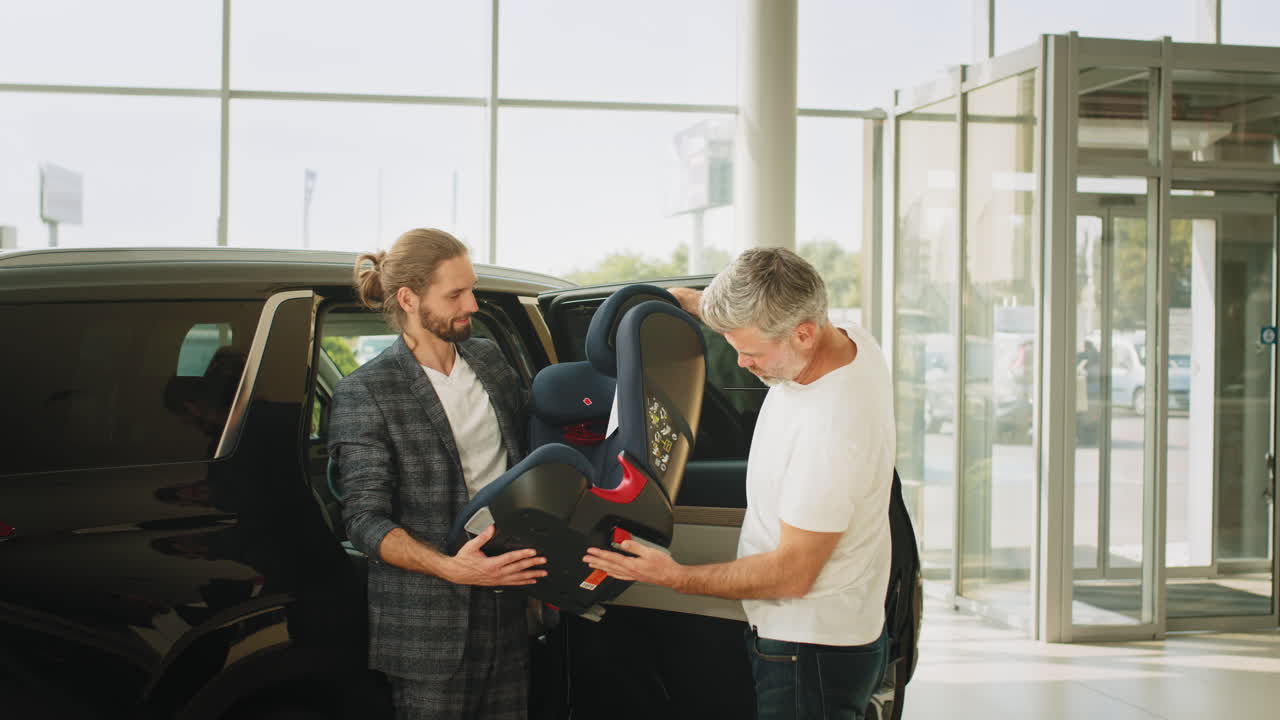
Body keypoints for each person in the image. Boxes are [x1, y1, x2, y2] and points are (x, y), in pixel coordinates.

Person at [584, 247, 895, 720]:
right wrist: (699, 305)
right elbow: (769, 301)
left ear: (804, 333)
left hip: (807, 647)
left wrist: (676, 577)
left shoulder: (832, 432)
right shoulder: (852, 342)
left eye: (749, 351)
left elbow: (793, 573)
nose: (743, 363)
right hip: (835, 629)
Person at [328, 228, 547, 720]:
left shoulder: (490, 361)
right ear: (408, 298)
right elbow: (364, 520)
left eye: (471, 288)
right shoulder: (367, 392)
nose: (472, 303)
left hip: (508, 605)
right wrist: (454, 568)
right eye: (455, 294)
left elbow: (530, 463)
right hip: (429, 630)